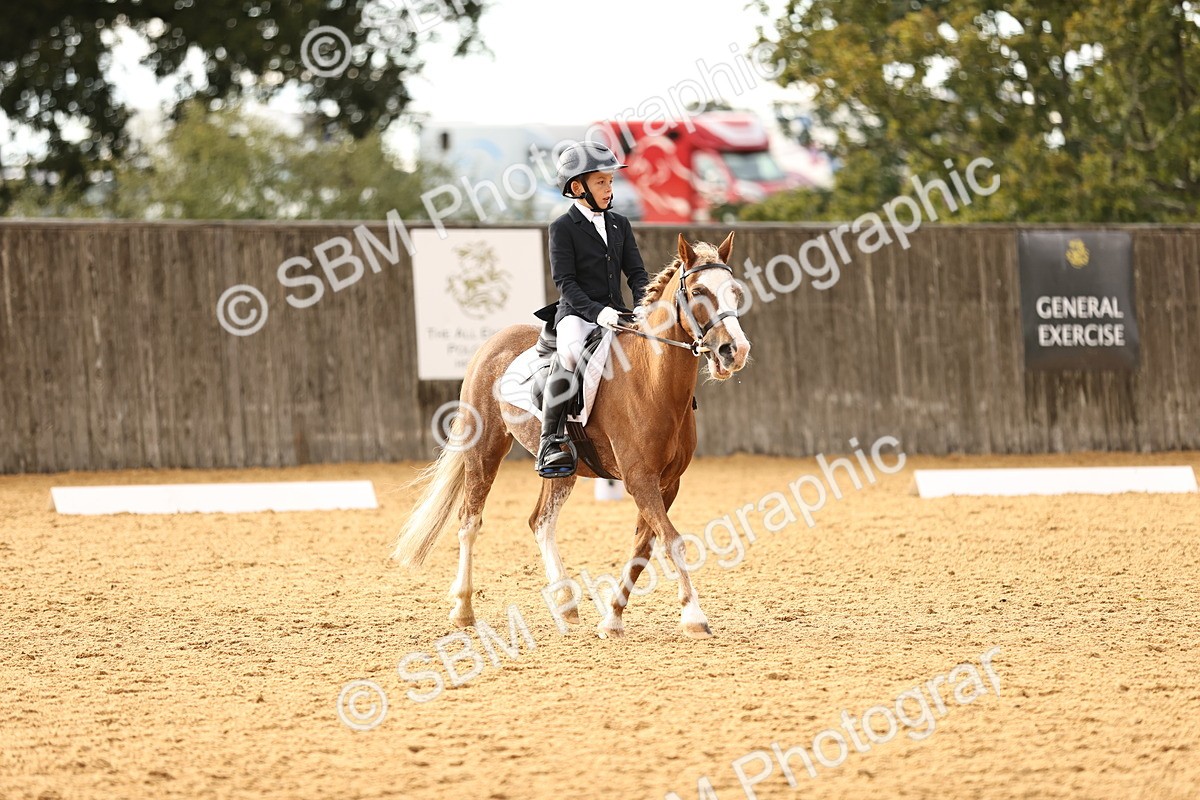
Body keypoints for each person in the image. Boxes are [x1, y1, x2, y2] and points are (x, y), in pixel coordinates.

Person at [532, 141, 650, 478]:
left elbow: (637, 274)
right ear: (577, 186)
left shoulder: (620, 224)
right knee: (569, 355)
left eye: (610, 181)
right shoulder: (563, 228)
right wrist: (597, 312)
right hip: (577, 314)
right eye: (601, 182)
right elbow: (565, 281)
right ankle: (550, 441)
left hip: (618, 312)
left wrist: (642, 305)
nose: (609, 188)